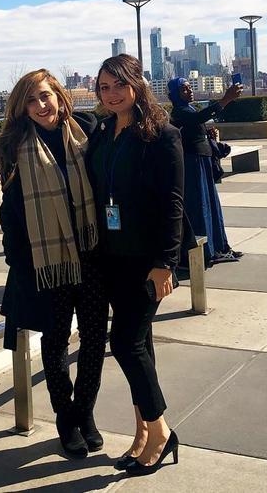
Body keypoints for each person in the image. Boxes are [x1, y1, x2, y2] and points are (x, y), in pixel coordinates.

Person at [0, 69, 108, 458]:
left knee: (94, 338)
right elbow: (10, 212)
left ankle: (85, 412)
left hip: (91, 254)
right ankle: (65, 417)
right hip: (49, 261)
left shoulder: (87, 131)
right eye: (31, 99)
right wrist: (18, 261)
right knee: (56, 340)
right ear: (22, 107)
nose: (41, 106)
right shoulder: (14, 147)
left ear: (59, 95)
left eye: (46, 96)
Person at [88, 54, 185, 476]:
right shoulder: (103, 131)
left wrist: (165, 263)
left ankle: (161, 432)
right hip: (112, 256)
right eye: (104, 87)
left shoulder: (161, 135)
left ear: (137, 85)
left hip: (147, 261)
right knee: (140, 345)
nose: (111, 95)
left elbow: (173, 204)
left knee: (125, 343)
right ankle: (142, 432)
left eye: (119, 86)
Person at [167, 78, 243, 267]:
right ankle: (206, 252)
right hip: (193, 164)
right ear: (175, 95)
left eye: (189, 87)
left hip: (202, 162)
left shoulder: (189, 109)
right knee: (200, 207)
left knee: (211, 206)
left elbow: (197, 123)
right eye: (184, 89)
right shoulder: (180, 111)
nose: (189, 91)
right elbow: (198, 118)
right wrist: (226, 99)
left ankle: (219, 247)